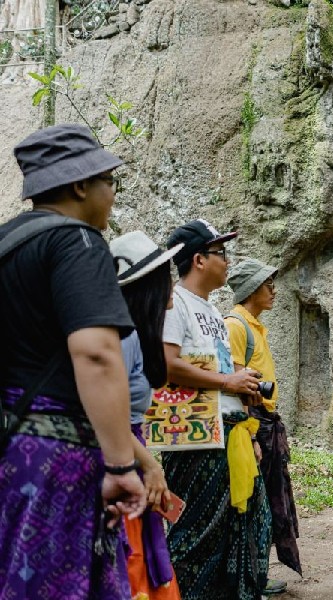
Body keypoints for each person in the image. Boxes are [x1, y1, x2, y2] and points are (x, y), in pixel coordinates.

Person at [0, 124, 147, 598]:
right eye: (110, 182)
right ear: (81, 185)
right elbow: (97, 354)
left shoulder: (7, 243)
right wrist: (121, 466)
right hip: (53, 459)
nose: (113, 195)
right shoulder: (77, 243)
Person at [160, 219, 271, 600]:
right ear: (198, 260)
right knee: (196, 534)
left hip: (230, 430)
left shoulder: (211, 309)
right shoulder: (176, 304)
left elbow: (223, 371)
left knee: (239, 526)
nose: (228, 261)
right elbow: (167, 364)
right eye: (221, 253)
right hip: (196, 439)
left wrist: (244, 399)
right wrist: (227, 382)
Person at [110, 230, 184, 600]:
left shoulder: (135, 336)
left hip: (131, 456)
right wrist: (150, 465)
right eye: (165, 276)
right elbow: (105, 417)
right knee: (130, 564)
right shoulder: (122, 339)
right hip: (120, 464)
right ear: (149, 287)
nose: (172, 285)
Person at [225, 259, 303, 596]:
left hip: (266, 423)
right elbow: (237, 385)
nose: (274, 291)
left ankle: (257, 573)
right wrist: (252, 434)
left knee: (267, 504)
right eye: (268, 285)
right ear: (251, 289)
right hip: (253, 424)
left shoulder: (254, 326)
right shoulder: (236, 326)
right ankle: (250, 576)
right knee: (252, 506)